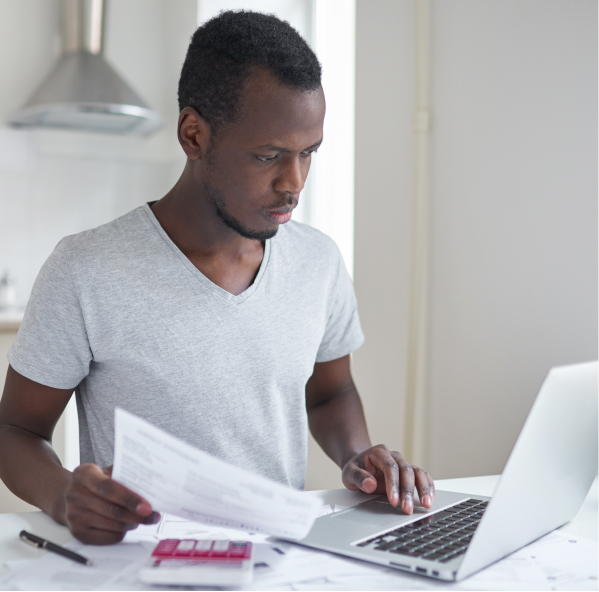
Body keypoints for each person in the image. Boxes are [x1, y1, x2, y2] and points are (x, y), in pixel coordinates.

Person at [0, 10, 434, 545]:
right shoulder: (86, 270)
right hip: (138, 565)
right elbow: (15, 432)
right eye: (268, 155)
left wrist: (358, 458)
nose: (293, 183)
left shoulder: (318, 262)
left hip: (274, 562)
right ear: (194, 134)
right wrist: (63, 495)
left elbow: (330, 391)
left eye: (309, 154)